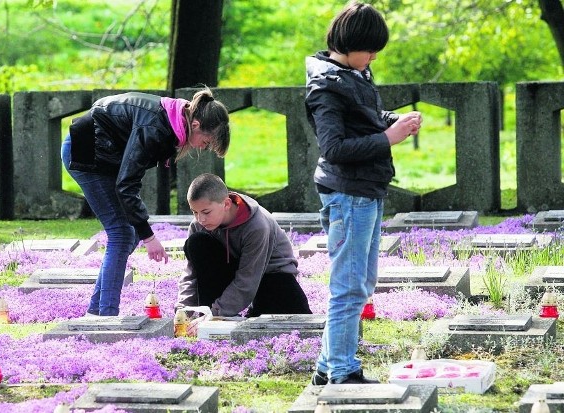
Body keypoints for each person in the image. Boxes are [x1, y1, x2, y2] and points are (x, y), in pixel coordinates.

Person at [305, 2, 422, 385]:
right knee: (349, 286)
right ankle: (342, 371)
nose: (373, 57)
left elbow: (365, 121)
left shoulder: (354, 73)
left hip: (366, 189)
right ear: (349, 43)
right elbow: (333, 149)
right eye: (369, 49)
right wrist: (388, 137)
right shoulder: (326, 87)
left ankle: (327, 367)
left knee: (361, 282)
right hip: (348, 194)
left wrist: (395, 122)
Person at [61, 88, 230, 316]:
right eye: (206, 141)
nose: (203, 147)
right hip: (85, 151)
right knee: (121, 235)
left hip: (105, 153)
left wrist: (141, 230)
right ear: (197, 125)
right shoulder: (156, 128)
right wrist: (149, 237)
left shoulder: (173, 120)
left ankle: (97, 311)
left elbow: (130, 177)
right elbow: (126, 185)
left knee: (126, 236)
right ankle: (105, 317)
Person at [176, 173, 312, 322]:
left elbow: (248, 278)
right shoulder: (198, 225)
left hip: (271, 276)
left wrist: (215, 314)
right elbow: (191, 273)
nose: (200, 219)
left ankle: (222, 314)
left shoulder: (257, 226)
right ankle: (212, 315)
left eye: (206, 212)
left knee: (284, 321)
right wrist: (184, 310)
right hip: (233, 270)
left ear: (226, 204)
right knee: (197, 242)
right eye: (194, 212)